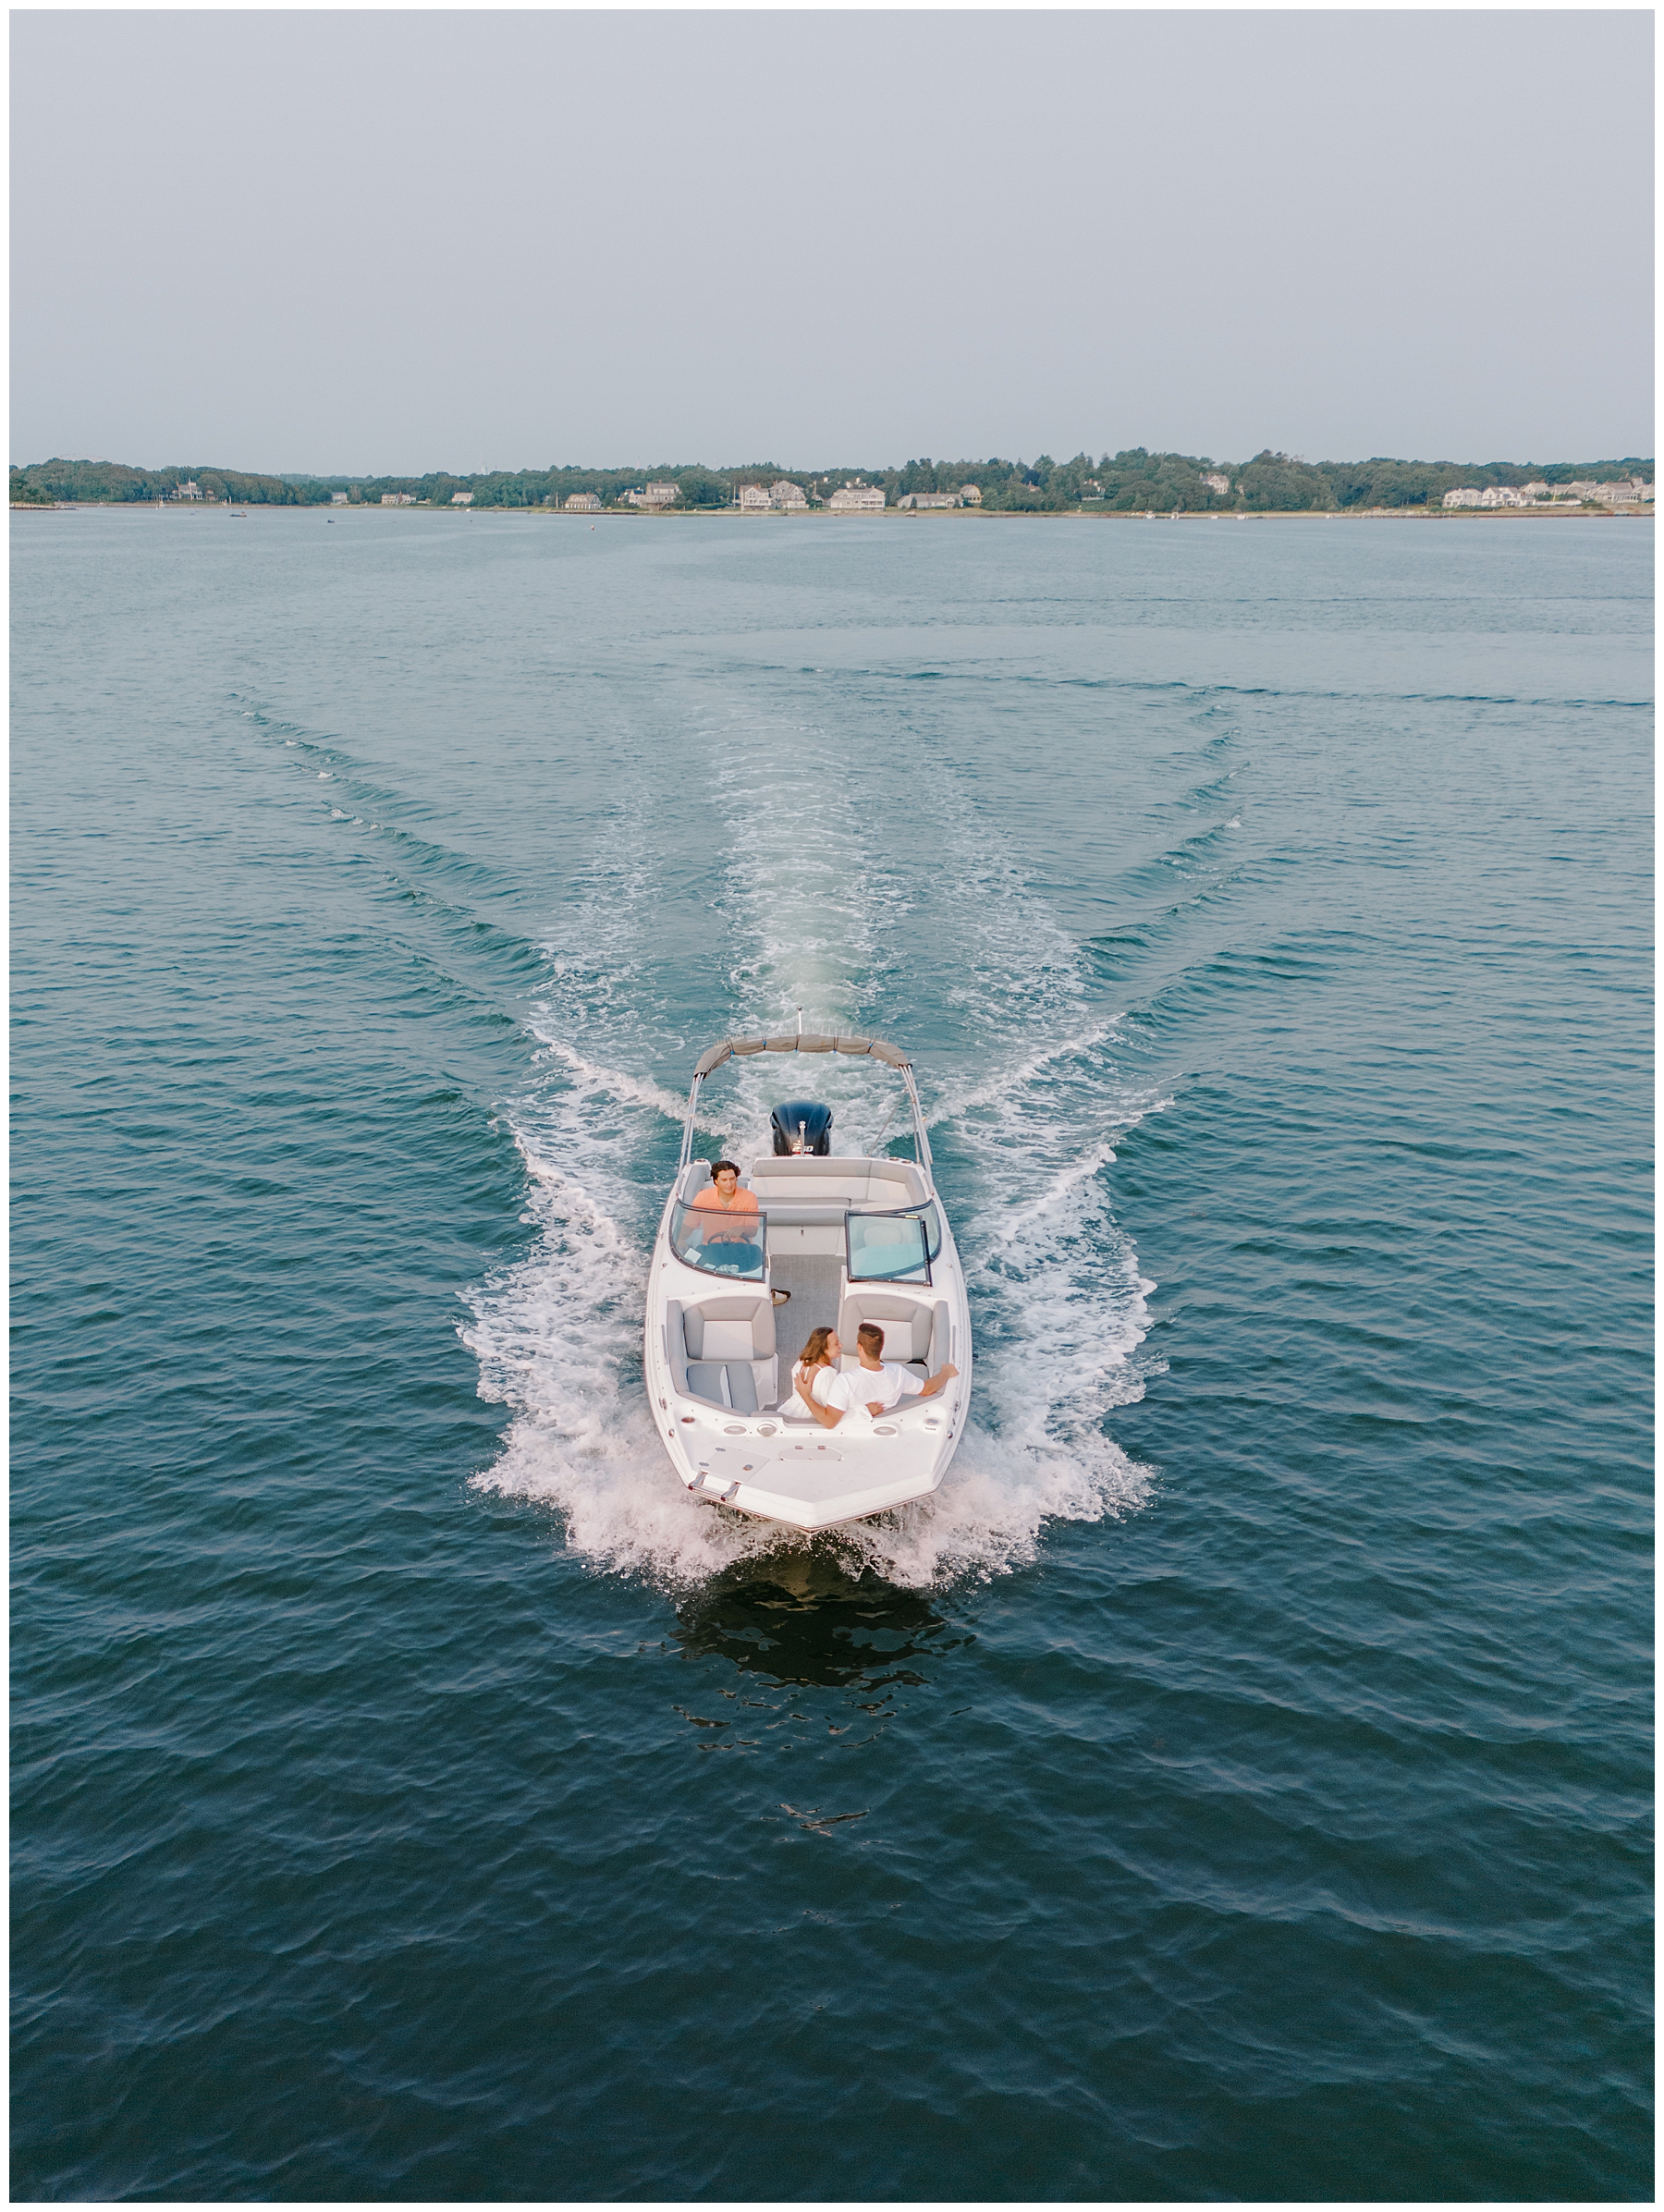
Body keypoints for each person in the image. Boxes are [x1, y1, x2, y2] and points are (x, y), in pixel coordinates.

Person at [851, 1322, 958, 1416]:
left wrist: (863, 1411)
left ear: (859, 1347)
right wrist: (946, 1372)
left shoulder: (845, 1380)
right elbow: (927, 1389)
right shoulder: (898, 1373)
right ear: (881, 1347)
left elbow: (834, 1421)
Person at [790, 1326, 863, 1429]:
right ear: (824, 1348)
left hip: (791, 1413)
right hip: (809, 1422)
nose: (841, 1345)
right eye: (836, 1343)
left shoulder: (802, 1362)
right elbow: (832, 1413)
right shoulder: (828, 1374)